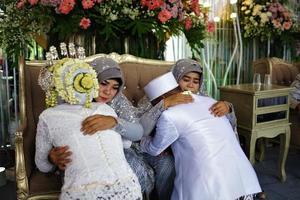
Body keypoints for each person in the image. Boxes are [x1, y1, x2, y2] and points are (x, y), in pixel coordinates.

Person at [140, 72, 263, 200]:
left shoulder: (170, 116)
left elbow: (154, 149)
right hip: (244, 178)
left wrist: (142, 142)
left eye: (155, 104)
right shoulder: (210, 101)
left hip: (209, 184)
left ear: (161, 100)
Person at [35, 58, 142, 199]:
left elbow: (139, 132)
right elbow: (56, 137)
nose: (108, 92)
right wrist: (51, 157)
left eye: (115, 87)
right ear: (88, 80)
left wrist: (114, 122)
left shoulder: (116, 101)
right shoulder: (61, 107)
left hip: (124, 154)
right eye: (103, 83)